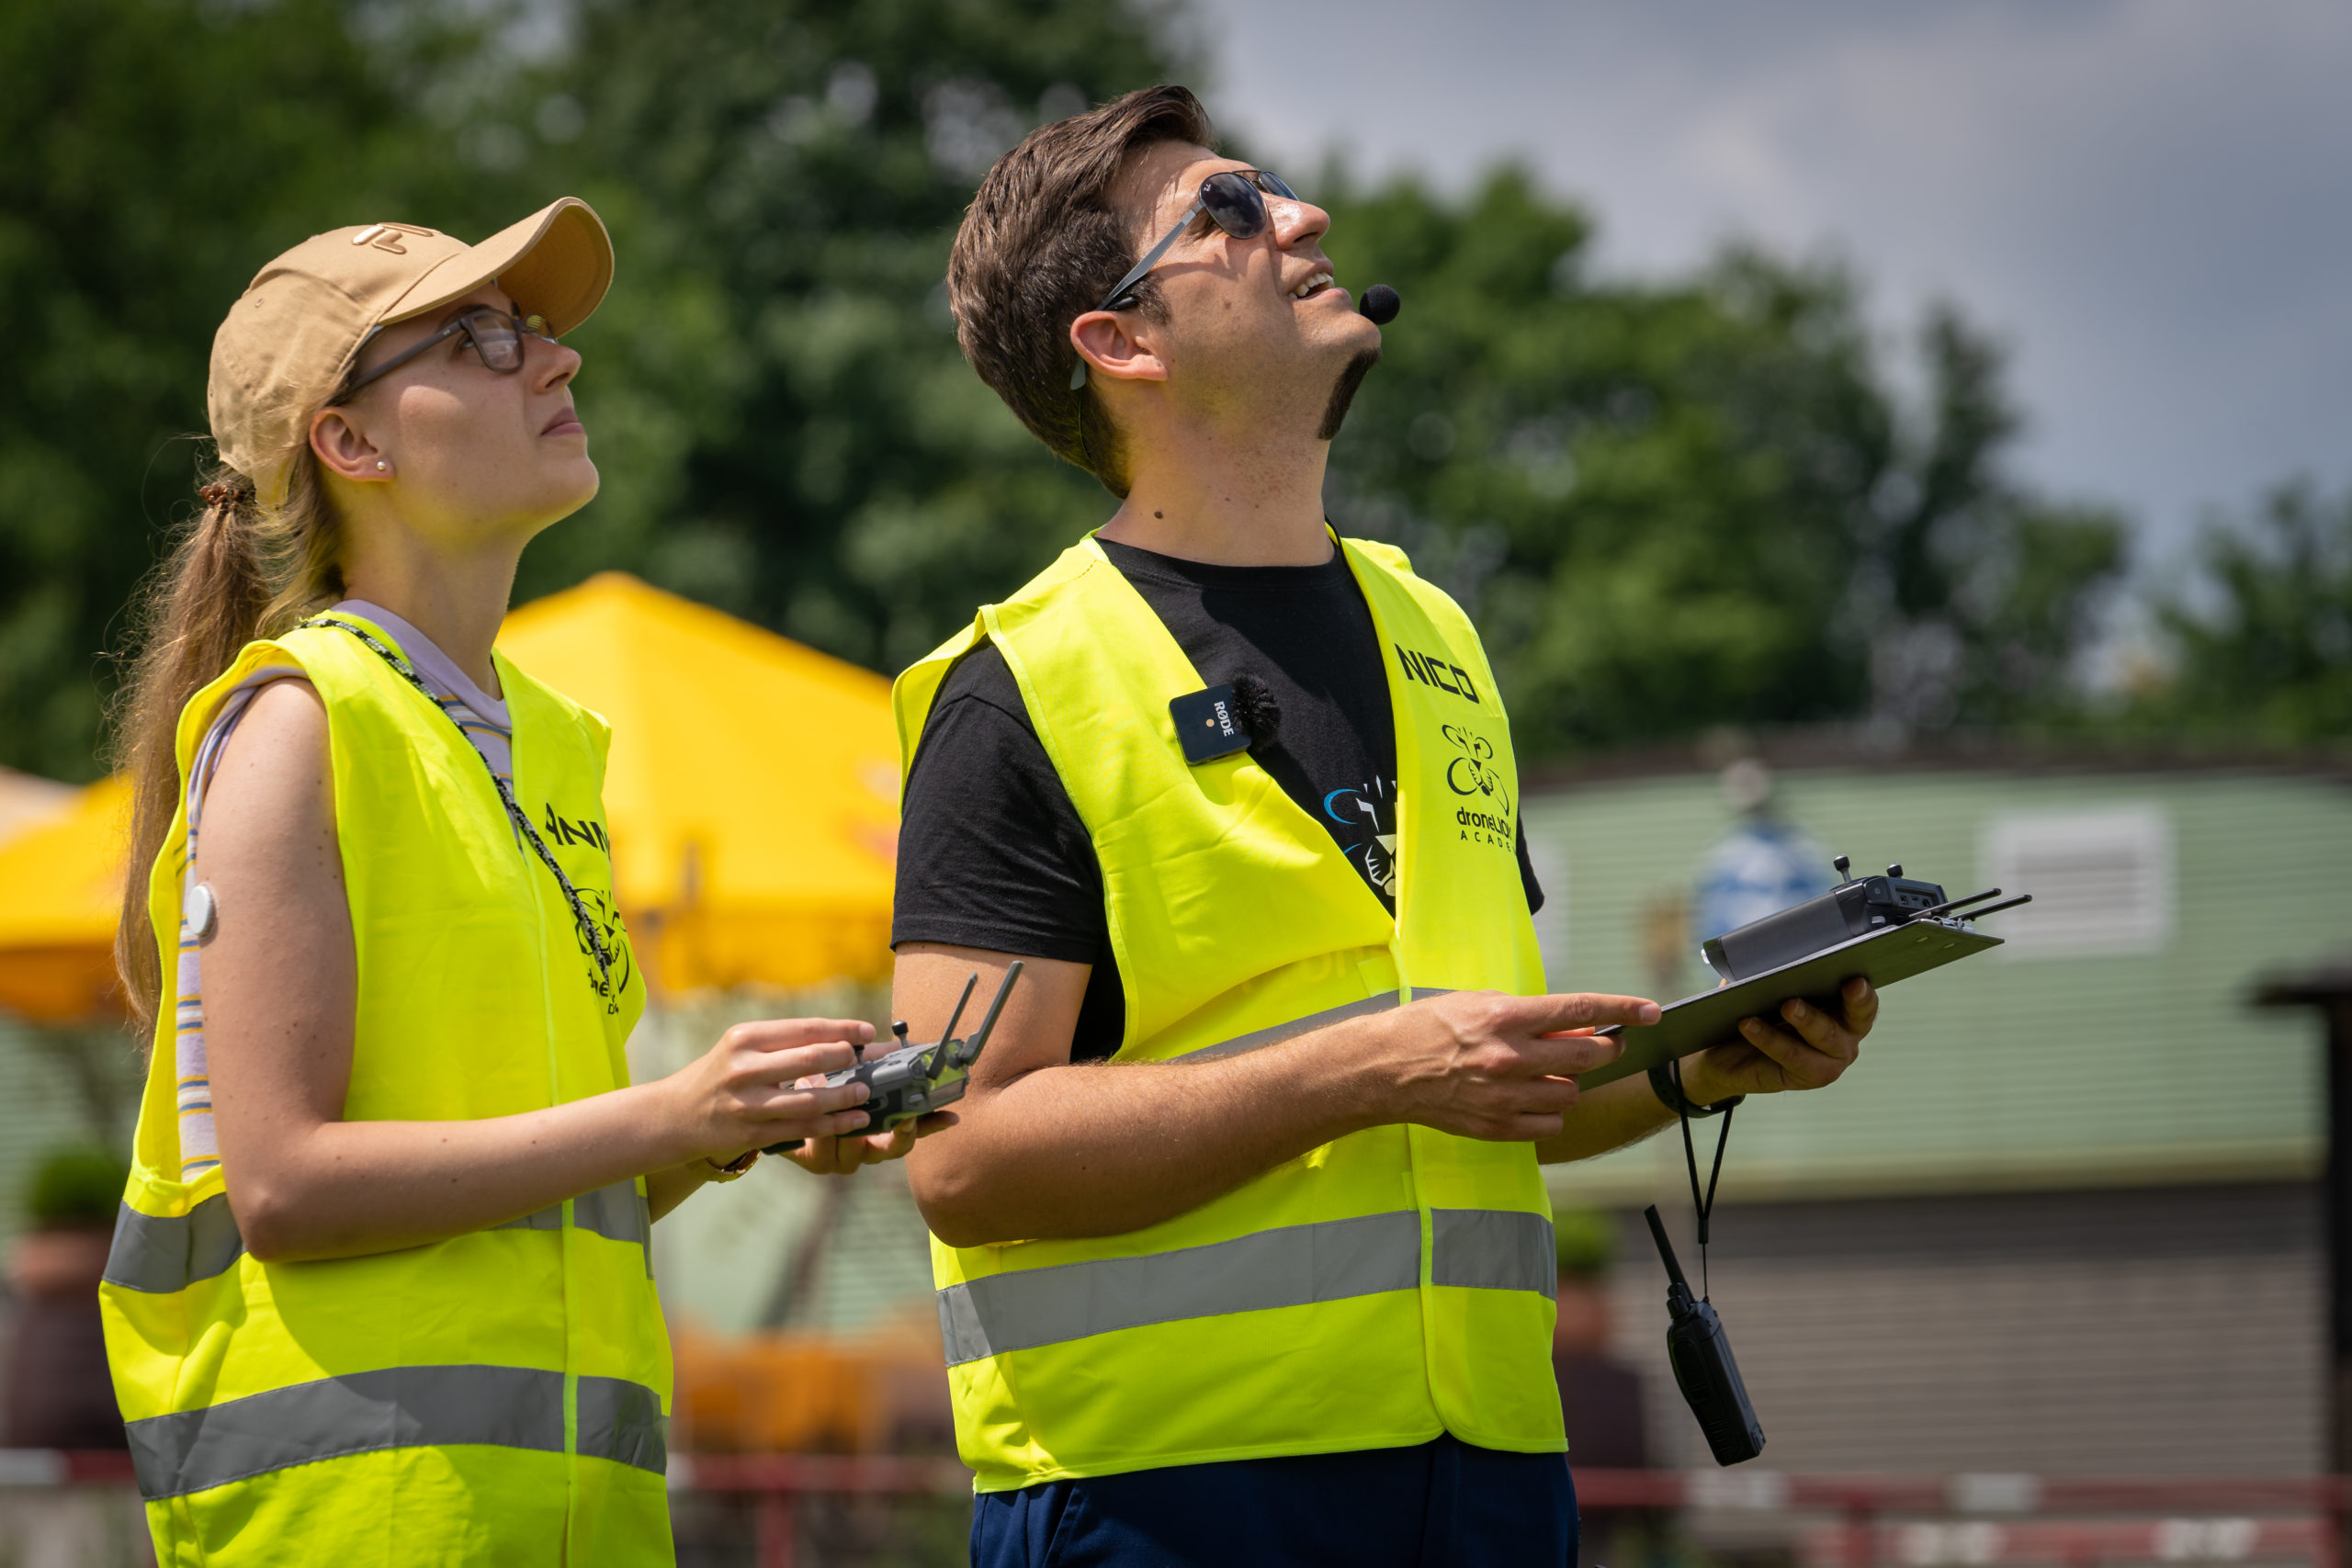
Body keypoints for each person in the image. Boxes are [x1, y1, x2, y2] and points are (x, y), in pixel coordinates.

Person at [889, 87, 1881, 1565]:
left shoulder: (1442, 638)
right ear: (1123, 341)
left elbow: (1476, 1089)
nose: (1301, 217)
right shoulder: (1015, 689)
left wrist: (1699, 1065)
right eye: (1225, 210)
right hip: (1158, 1500)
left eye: (1273, 186)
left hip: (1486, 1482)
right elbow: (961, 1153)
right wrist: (1363, 1072)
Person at [97, 200, 920, 1565]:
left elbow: (532, 1179)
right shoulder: (300, 722)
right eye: (479, 340)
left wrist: (726, 1127)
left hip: (575, 1523)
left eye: (535, 331)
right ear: (349, 443)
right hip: (368, 1525)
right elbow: (289, 1187)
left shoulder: (548, 746)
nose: (556, 362)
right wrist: (667, 1115)